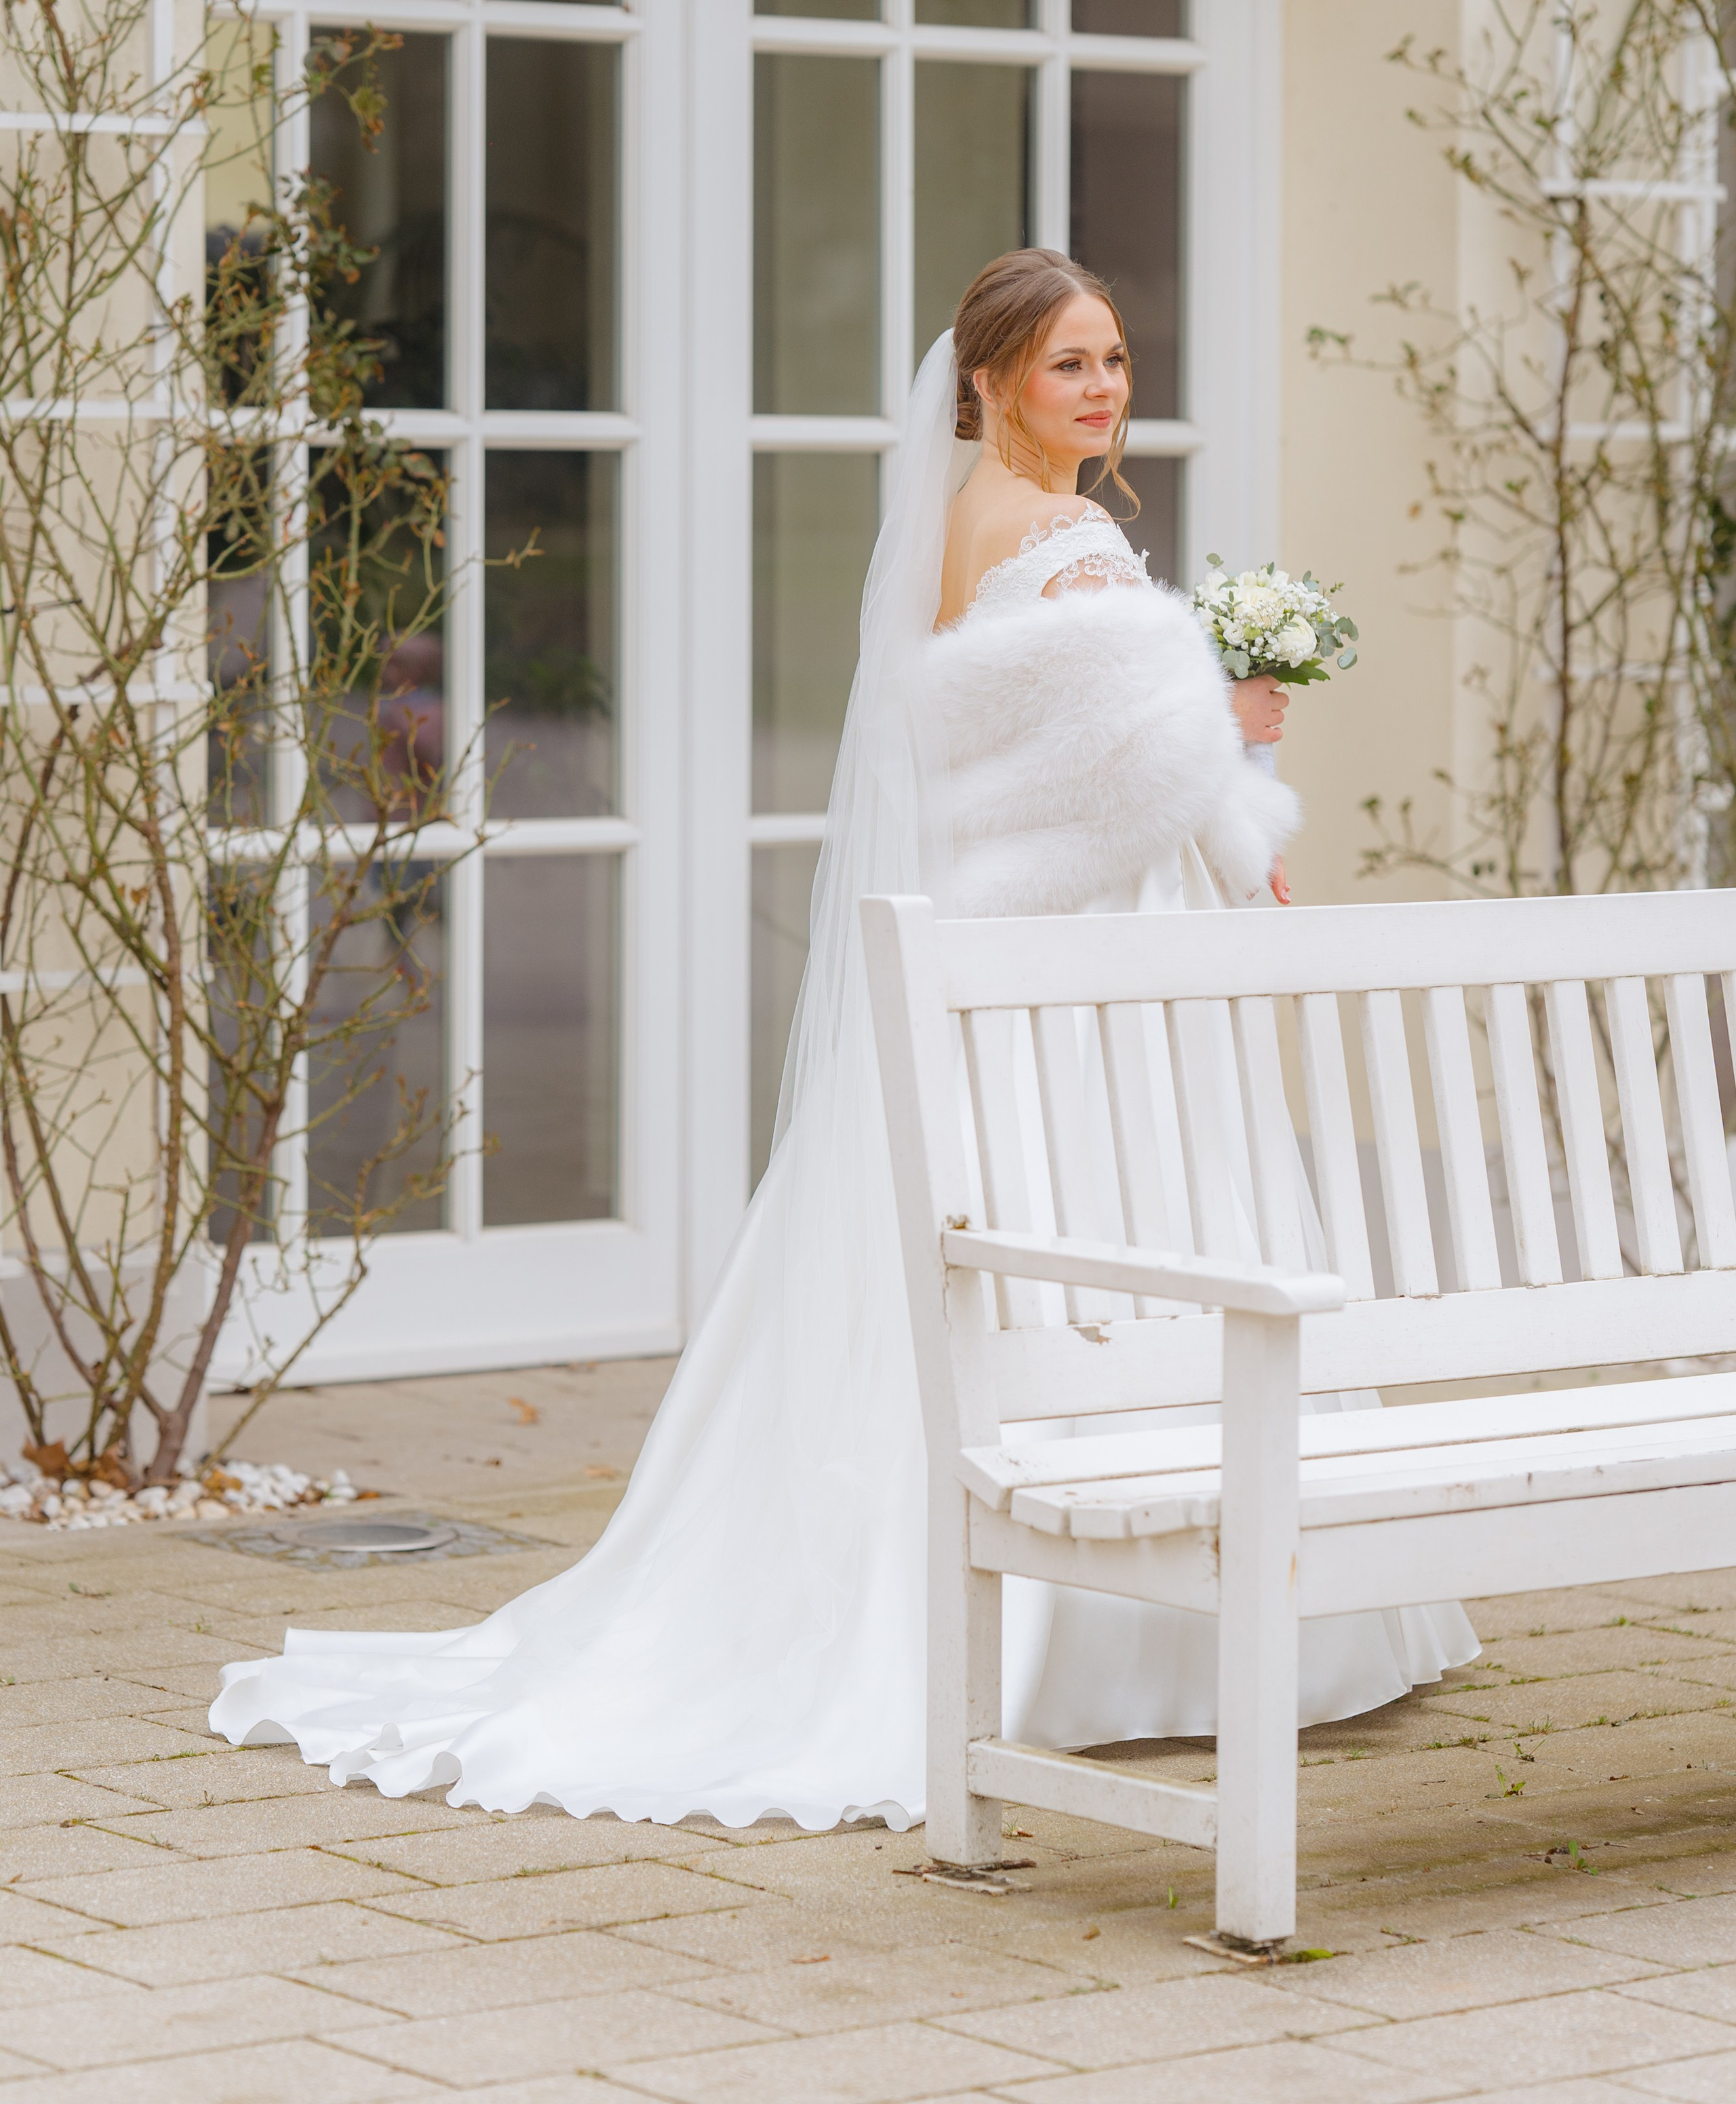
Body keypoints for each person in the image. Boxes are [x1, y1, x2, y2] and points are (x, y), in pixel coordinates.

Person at [210, 250, 1475, 1826]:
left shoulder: (962, 526)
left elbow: (1016, 755)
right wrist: (1241, 733)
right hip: (1080, 968)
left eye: (1111, 359)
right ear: (990, 381)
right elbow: (1130, 780)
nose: (1101, 387)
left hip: (1022, 945)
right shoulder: (1063, 535)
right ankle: (1113, 1633)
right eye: (1068, 363)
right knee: (1117, 1235)